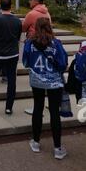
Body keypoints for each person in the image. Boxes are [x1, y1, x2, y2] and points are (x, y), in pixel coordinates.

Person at [23, 18, 68, 160]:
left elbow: (25, 62)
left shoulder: (29, 43)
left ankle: (36, 142)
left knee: (38, 108)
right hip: (54, 81)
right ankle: (57, 148)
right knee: (54, 111)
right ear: (50, 27)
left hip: (37, 80)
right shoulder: (56, 43)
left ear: (35, 28)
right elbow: (62, 63)